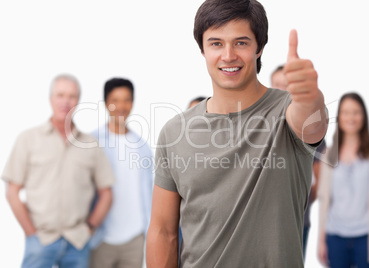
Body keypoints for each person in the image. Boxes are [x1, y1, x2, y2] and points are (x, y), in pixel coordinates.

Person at [146, 0, 328, 267]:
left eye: (241, 42)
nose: (228, 55)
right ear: (203, 49)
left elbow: (311, 122)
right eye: (216, 43)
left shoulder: (286, 112)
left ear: (260, 47)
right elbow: (163, 231)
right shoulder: (174, 132)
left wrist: (311, 97)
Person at [2, 74, 114, 268]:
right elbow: (12, 191)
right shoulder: (28, 139)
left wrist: (89, 229)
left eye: (72, 96)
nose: (66, 101)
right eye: (60, 95)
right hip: (41, 240)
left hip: (77, 242)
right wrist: (31, 233)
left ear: (78, 100)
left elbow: (106, 193)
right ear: (50, 98)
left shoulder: (91, 144)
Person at [317, 93, 369, 268]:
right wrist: (321, 240)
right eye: (346, 112)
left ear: (363, 116)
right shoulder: (329, 154)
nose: (351, 117)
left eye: (356, 112)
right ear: (339, 117)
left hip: (365, 237)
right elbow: (324, 200)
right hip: (334, 236)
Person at [89, 78, 153, 268]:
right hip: (100, 238)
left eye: (127, 99)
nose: (121, 106)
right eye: (115, 99)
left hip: (134, 239)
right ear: (106, 103)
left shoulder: (143, 147)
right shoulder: (92, 142)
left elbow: (148, 192)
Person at [271, 63, 327, 261]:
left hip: (296, 222)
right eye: (276, 84)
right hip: (260, 225)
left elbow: (321, 179)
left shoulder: (310, 127)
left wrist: (299, 198)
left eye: (285, 84)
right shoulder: (257, 124)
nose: (280, 89)